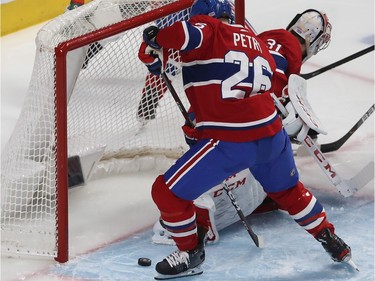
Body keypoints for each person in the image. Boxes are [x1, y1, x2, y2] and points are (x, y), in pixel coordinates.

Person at [138, 0, 351, 279]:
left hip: (231, 139)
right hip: (272, 137)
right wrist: (158, 57)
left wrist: (155, 36)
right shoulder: (253, 38)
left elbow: (183, 36)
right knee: (288, 191)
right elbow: (187, 58)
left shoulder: (209, 28)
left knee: (166, 192)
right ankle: (331, 240)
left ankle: (191, 252)